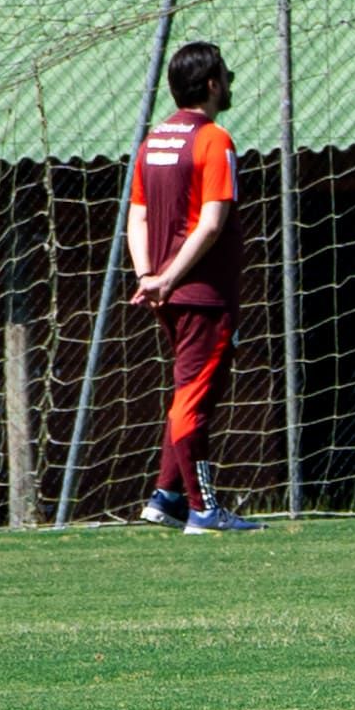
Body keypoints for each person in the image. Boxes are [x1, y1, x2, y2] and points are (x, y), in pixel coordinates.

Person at [129, 41, 257, 533]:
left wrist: (149, 277)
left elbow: (136, 216)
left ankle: (165, 497)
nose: (231, 81)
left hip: (168, 292)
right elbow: (211, 223)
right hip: (202, 293)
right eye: (226, 73)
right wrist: (170, 277)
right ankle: (203, 509)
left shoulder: (153, 141)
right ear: (211, 84)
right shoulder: (214, 139)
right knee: (194, 400)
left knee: (189, 390)